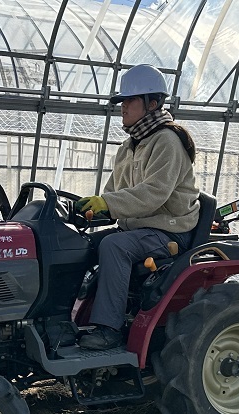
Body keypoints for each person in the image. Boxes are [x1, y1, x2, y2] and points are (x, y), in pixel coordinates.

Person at [77, 64, 200, 350]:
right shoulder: (129, 145)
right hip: (138, 229)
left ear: (152, 103)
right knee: (79, 244)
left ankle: (109, 330)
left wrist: (108, 203)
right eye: (121, 101)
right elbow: (114, 192)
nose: (123, 107)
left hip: (168, 232)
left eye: (129, 100)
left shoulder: (168, 141)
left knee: (114, 247)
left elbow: (153, 194)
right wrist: (92, 208)